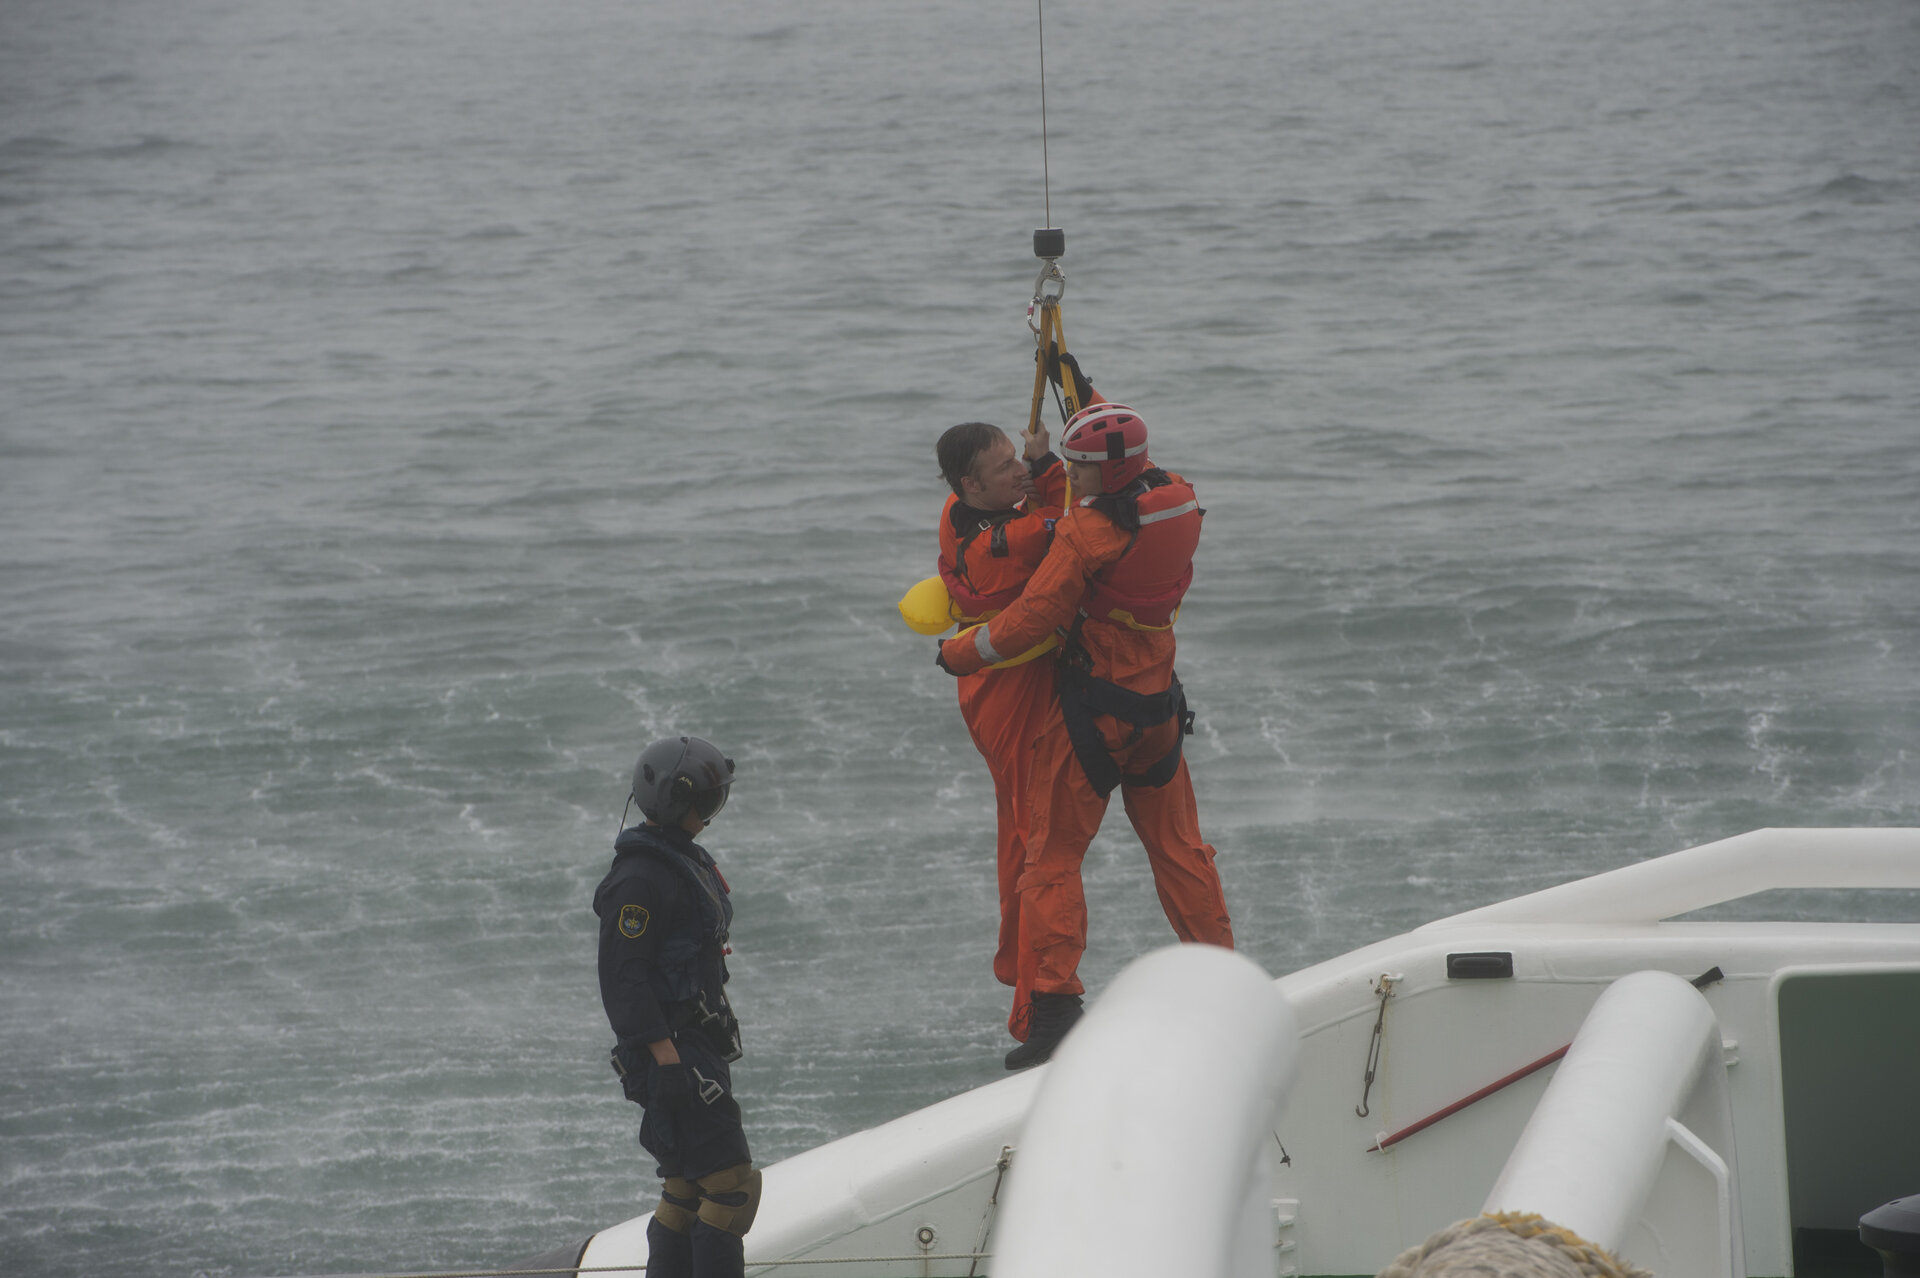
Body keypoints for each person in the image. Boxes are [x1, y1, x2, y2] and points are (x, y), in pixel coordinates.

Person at [936, 401, 1235, 1070]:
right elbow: (1109, 449)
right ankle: (1223, 981)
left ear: (1102, 472)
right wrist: (1073, 408)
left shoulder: (1082, 535)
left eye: (1076, 467)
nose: (1065, 473)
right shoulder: (1178, 498)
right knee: (1181, 850)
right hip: (1159, 707)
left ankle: (1055, 1009)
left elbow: (1031, 621)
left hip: (1094, 719)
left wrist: (960, 653)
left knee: (1050, 860)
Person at [595, 735, 760, 1278]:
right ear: (676, 802)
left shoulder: (675, 860)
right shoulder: (640, 879)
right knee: (731, 1190)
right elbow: (625, 981)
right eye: (706, 802)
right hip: (674, 1054)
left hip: (690, 1046)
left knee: (687, 1187)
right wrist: (667, 1062)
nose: (711, 814)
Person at [932, 413, 1068, 1046]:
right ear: (970, 484)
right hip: (1006, 698)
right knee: (1030, 843)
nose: (1019, 469)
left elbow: (1038, 510)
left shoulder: (958, 513)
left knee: (1021, 836)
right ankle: (1030, 1005)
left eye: (1018, 458)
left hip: (996, 690)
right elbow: (1067, 526)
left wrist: (1033, 468)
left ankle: (1018, 968)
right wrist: (1047, 470)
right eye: (1005, 465)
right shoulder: (997, 545)